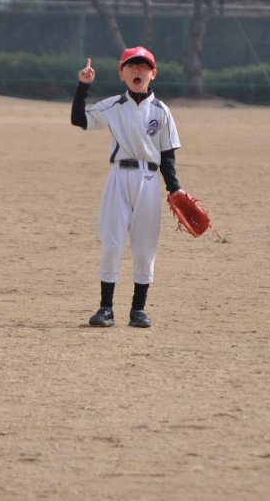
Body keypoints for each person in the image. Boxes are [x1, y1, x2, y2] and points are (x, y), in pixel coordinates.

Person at [71, 46, 185, 328]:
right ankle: (105, 308)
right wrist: (83, 86)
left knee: (145, 247)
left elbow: (167, 153)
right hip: (118, 178)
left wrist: (174, 188)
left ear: (153, 74)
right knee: (112, 242)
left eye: (143, 66)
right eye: (131, 66)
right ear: (121, 73)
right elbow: (79, 119)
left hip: (149, 180)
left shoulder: (161, 111)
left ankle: (138, 310)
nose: (137, 70)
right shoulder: (112, 106)